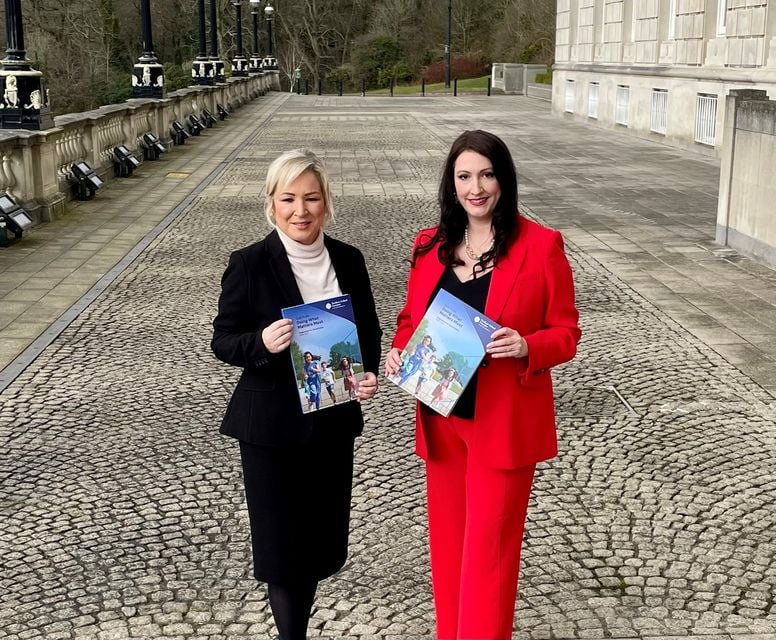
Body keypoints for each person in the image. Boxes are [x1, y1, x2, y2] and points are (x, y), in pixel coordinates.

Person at [384, 130, 580, 640]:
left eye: (487, 174)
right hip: (443, 418)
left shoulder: (541, 246)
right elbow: (410, 318)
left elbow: (566, 332)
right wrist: (400, 348)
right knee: (449, 552)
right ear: (452, 184)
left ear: (503, 179)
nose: (477, 187)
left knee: (489, 558)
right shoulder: (429, 245)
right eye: (465, 176)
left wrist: (528, 346)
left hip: (503, 422)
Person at [212, 149, 382, 640]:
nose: (300, 210)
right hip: (271, 430)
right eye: (288, 198)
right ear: (272, 203)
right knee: (282, 549)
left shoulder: (349, 259)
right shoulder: (248, 263)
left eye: (311, 198)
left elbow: (366, 331)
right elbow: (223, 340)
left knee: (318, 545)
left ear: (327, 202)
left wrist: (365, 376)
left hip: (330, 423)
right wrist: (261, 343)